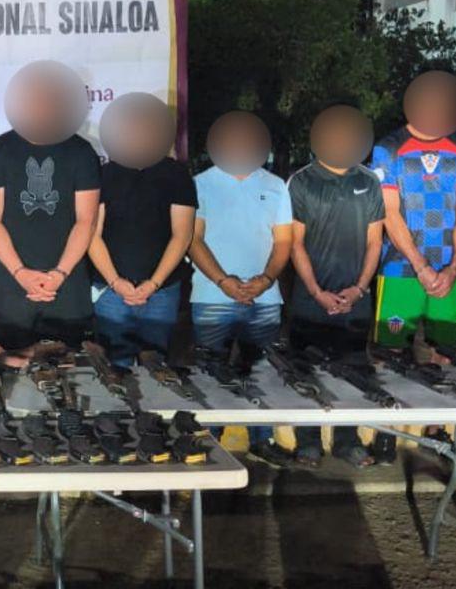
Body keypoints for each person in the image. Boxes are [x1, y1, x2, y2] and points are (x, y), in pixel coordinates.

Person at [370, 71, 456, 459]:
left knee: (447, 355)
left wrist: (453, 266)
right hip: (399, 269)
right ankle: (386, 433)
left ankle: (438, 433)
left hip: (451, 270)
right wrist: (420, 265)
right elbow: (390, 213)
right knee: (389, 355)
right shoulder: (388, 148)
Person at [189, 110, 293, 466]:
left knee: (261, 371)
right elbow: (193, 239)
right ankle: (209, 441)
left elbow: (283, 242)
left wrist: (265, 280)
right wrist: (223, 281)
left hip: (264, 298)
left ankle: (262, 439)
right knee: (211, 372)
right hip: (211, 296)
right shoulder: (200, 184)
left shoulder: (276, 186)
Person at [0, 60, 101, 351]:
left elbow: (86, 220)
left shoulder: (81, 152)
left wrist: (59, 274)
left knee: (72, 364)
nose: (41, 106)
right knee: (14, 362)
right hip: (13, 283)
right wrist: (20, 273)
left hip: (68, 284)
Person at [286, 104, 385, 468]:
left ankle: (347, 441)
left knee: (353, 371)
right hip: (310, 300)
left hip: (355, 301)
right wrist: (316, 292)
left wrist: (359, 288)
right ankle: (308, 444)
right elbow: (294, 243)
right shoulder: (301, 181)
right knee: (305, 371)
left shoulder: (369, 182)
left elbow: (375, 241)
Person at [86, 92, 195, 367]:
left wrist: (153, 283)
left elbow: (182, 235)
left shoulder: (176, 174)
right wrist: (115, 282)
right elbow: (92, 234)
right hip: (110, 291)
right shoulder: (104, 174)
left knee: (155, 366)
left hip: (162, 291)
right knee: (114, 367)